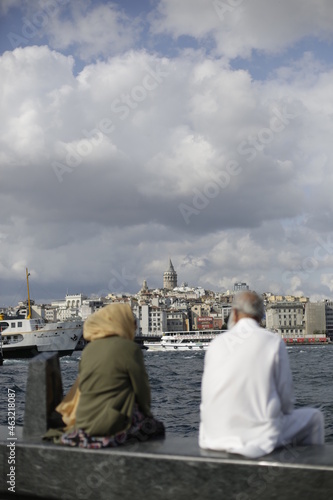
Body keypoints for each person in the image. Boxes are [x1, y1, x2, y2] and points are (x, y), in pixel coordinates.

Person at [199, 291, 324, 458]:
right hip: (256, 440)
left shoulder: (216, 344)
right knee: (315, 418)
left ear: (234, 313)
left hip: (212, 437)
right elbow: (286, 401)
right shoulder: (272, 341)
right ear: (260, 316)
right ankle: (306, 477)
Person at [48, 303, 164, 448]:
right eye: (132, 321)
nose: (135, 326)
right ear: (121, 322)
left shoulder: (89, 349)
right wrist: (148, 415)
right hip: (112, 423)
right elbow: (141, 388)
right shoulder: (130, 348)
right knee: (155, 429)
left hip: (83, 420)